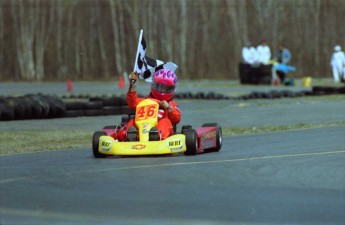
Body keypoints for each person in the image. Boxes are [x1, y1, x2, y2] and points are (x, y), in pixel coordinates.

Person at [125, 69, 181, 141]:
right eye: (159, 87)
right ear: (153, 85)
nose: (162, 91)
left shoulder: (171, 104)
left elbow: (177, 118)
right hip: (142, 125)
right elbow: (132, 103)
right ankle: (131, 136)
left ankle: (155, 136)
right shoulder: (145, 100)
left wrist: (168, 108)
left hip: (159, 126)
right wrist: (133, 84)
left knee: (165, 122)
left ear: (172, 89)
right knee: (132, 121)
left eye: (166, 88)